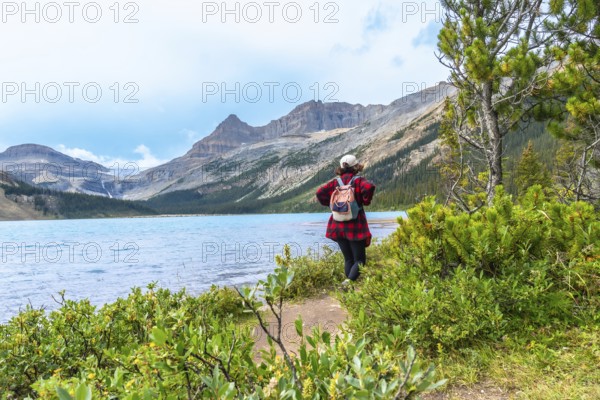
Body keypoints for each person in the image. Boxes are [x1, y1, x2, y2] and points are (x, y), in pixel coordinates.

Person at [316, 154, 376, 283]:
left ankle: (348, 288)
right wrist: (366, 200)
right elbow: (370, 187)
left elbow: (319, 193)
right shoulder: (359, 181)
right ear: (356, 166)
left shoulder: (335, 183)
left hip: (337, 225)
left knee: (348, 259)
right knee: (360, 260)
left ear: (341, 167)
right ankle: (348, 283)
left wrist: (330, 204)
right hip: (355, 225)